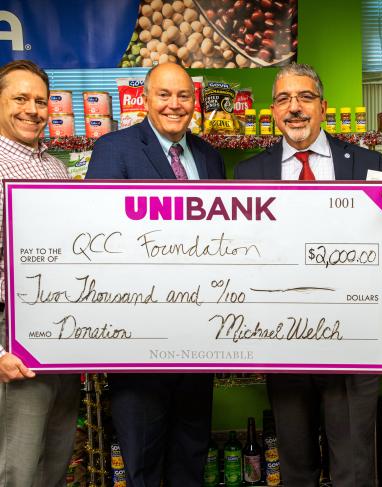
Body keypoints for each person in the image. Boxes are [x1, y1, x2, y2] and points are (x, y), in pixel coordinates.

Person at [234, 63, 382, 487]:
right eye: (283, 99)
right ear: (273, 111)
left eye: (305, 98)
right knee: (295, 464)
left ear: (323, 107)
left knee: (354, 465)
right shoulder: (248, 173)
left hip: (353, 339)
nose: (294, 108)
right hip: (282, 339)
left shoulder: (367, 163)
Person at [86, 62, 225, 486]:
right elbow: (99, 240)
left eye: (183, 95)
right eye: (164, 94)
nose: (174, 104)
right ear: (145, 99)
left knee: (191, 452)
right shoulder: (115, 149)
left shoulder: (208, 156)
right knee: (142, 460)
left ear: (194, 102)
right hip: (139, 339)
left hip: (200, 336)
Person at [0, 60, 81, 487]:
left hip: (60, 335)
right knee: (17, 465)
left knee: (56, 455)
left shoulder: (55, 167)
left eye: (39, 100)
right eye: (19, 99)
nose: (32, 109)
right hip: (12, 337)